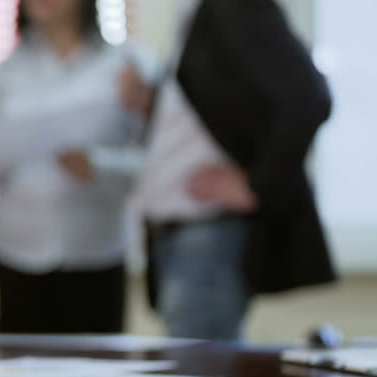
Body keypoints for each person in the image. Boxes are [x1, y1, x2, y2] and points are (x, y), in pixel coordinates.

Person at [120, 0, 335, 340]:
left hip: (206, 233)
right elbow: (217, 109)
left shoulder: (233, 7)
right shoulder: (195, 14)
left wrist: (257, 185)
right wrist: (152, 104)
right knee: (195, 375)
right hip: (177, 235)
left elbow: (309, 96)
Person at [0, 0, 148, 333]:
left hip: (95, 250)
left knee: (95, 373)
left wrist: (100, 165)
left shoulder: (125, 65)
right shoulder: (8, 71)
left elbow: (155, 161)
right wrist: (10, 145)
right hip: (19, 250)